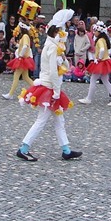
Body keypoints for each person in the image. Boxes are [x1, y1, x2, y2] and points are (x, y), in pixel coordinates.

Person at [16, 9, 82, 162]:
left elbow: (63, 64)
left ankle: (66, 149)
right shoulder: (52, 48)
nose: (63, 35)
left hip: (51, 87)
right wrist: (57, 91)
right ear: (55, 32)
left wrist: (64, 57)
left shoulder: (53, 47)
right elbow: (53, 71)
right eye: (61, 32)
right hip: (49, 88)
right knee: (42, 120)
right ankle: (24, 148)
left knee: (59, 120)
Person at [78, 22, 111, 106]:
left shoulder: (100, 40)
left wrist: (99, 58)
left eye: (95, 31)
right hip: (105, 61)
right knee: (105, 80)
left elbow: (102, 50)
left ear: (99, 32)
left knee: (93, 79)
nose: (94, 32)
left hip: (101, 62)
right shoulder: (103, 39)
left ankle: (89, 98)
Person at [2, 22, 35, 100]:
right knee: (25, 77)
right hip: (24, 59)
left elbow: (25, 46)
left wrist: (20, 55)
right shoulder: (24, 36)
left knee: (16, 76)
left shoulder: (25, 36)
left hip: (23, 59)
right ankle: (37, 89)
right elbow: (22, 46)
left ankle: (10, 94)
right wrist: (16, 44)